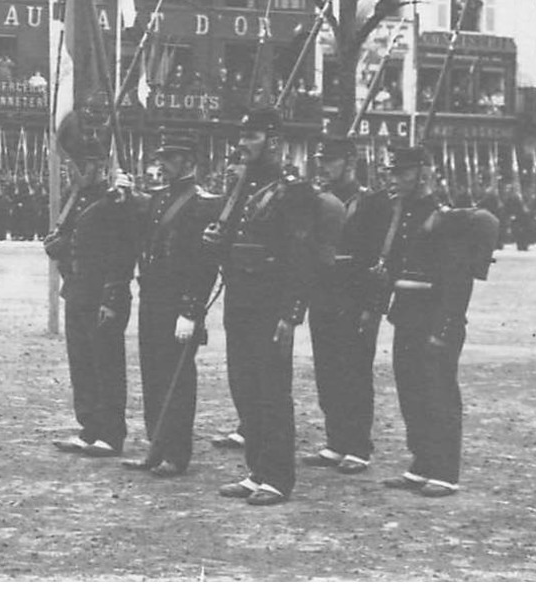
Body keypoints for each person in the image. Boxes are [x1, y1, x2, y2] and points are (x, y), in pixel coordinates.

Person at [204, 108, 320, 507]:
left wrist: (291, 314)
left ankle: (277, 477)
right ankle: (257, 470)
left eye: (251, 136)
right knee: (245, 387)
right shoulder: (243, 187)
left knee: (272, 390)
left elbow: (301, 257)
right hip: (241, 298)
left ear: (273, 141)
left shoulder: (294, 192)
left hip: (271, 304)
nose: (242, 144)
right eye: (242, 136)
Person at [375, 146, 492, 498]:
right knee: (411, 393)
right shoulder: (405, 214)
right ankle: (422, 462)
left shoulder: (446, 219)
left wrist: (445, 328)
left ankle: (445, 471)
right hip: (408, 316)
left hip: (435, 318)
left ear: (423, 174)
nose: (394, 179)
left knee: (438, 393)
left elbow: (457, 281)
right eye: (392, 173)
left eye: (402, 173)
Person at [110, 132, 222, 476]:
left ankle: (177, 452)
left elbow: (204, 264)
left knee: (177, 378)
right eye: (163, 158)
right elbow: (136, 228)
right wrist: (125, 194)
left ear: (190, 161)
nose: (164, 164)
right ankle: (155, 447)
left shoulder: (204, 203)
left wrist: (191, 311)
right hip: (153, 297)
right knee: (153, 373)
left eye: (171, 159)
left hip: (178, 301)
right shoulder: (158, 199)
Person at [43, 108, 132, 458]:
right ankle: (90, 427)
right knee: (82, 363)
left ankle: (111, 433)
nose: (71, 170)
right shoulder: (76, 198)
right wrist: (57, 247)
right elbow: (66, 239)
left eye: (78, 165)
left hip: (102, 296)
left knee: (105, 365)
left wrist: (112, 299)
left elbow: (121, 256)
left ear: (95, 167)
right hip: (77, 291)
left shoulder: (114, 202)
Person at [303, 135, 389, 475]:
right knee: (327, 370)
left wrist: (372, 306)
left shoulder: (371, 203)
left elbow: (377, 258)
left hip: (354, 296)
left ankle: (358, 446)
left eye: (331, 161)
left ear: (350, 163)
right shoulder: (319, 201)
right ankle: (335, 441)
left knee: (354, 370)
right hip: (323, 293)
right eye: (321, 160)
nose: (323, 166)